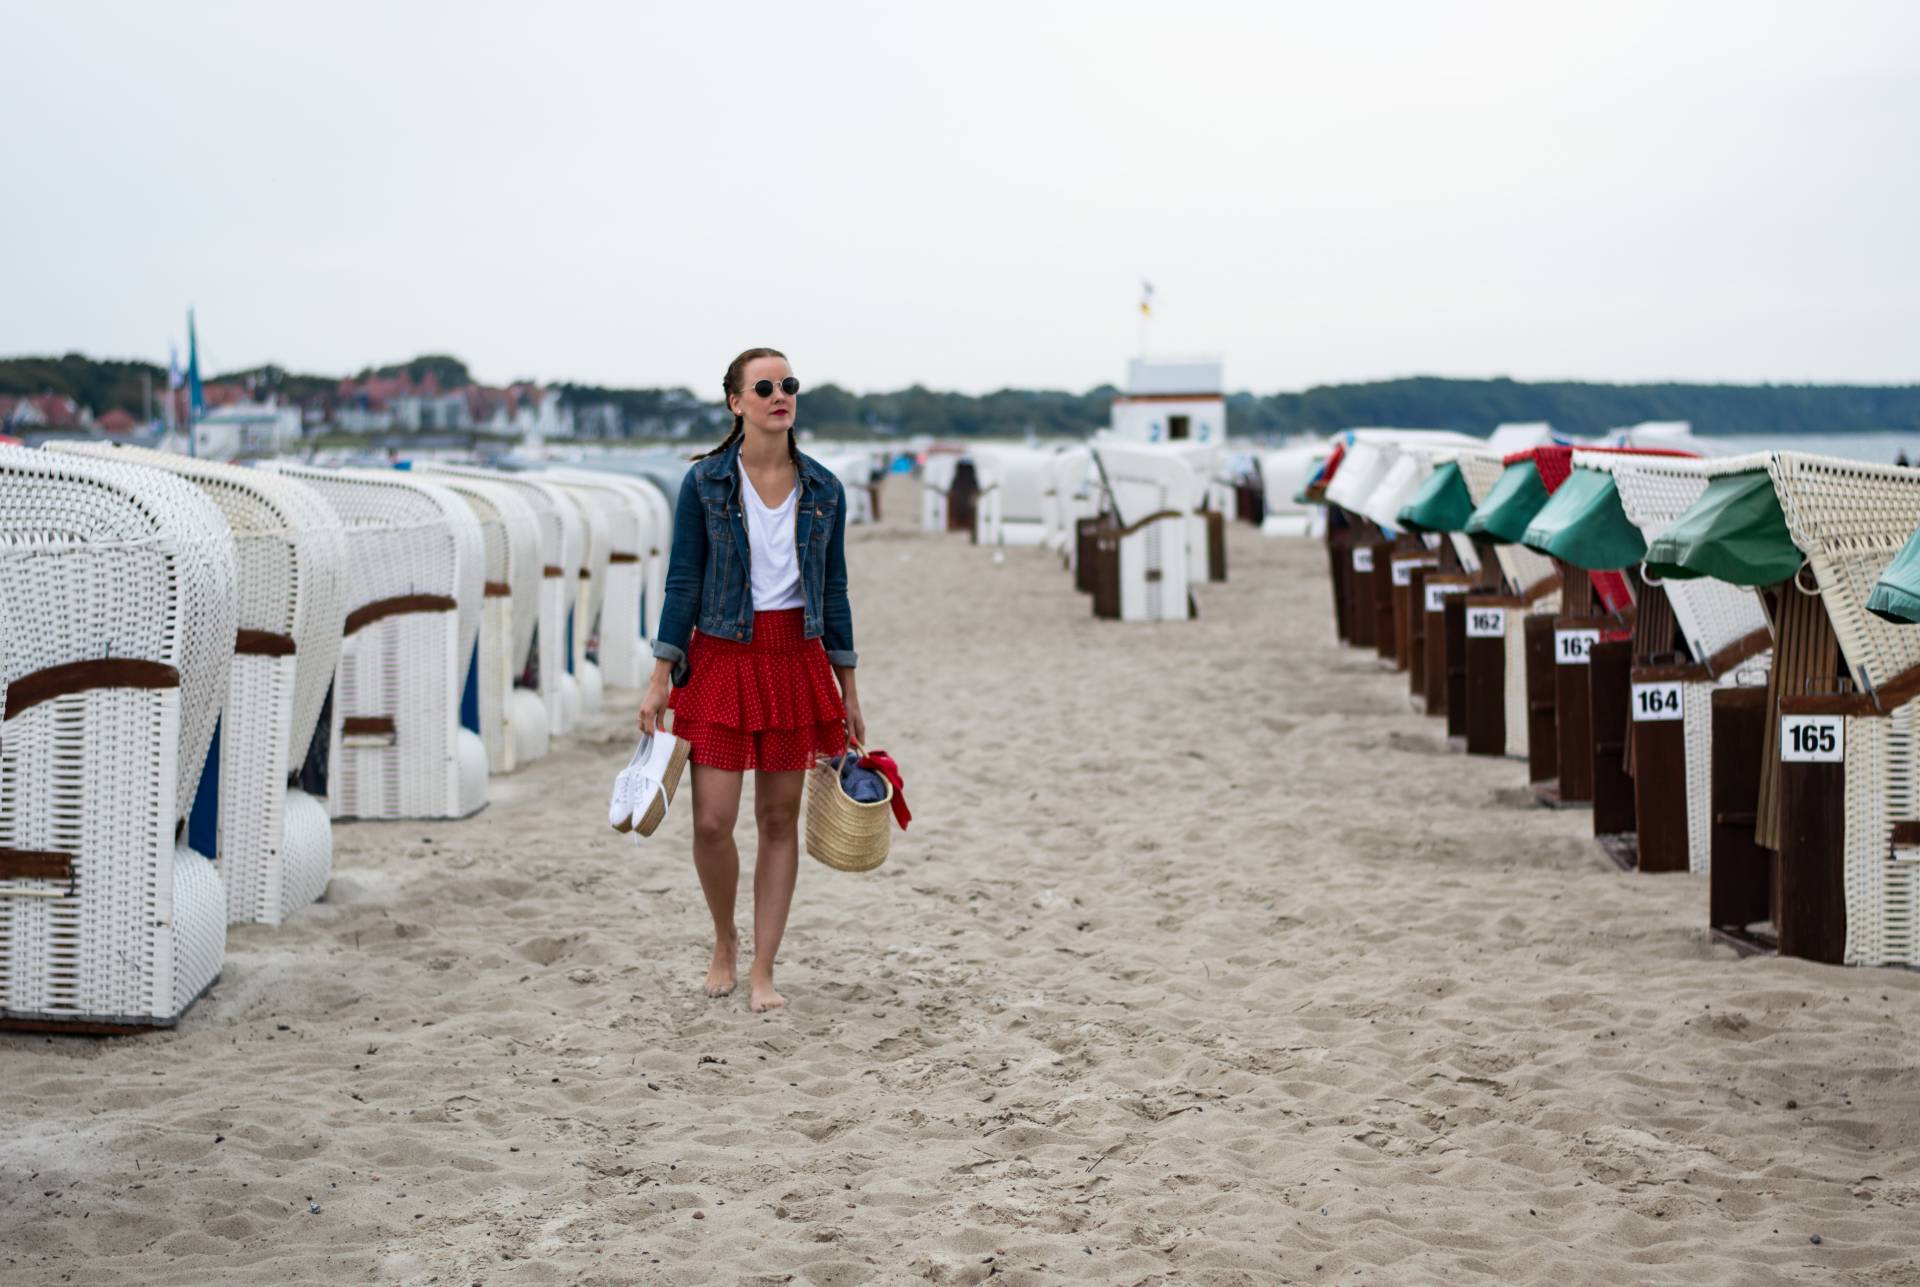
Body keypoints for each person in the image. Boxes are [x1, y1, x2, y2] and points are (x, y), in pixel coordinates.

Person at [638, 347, 864, 1012]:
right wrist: (659, 678)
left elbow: (837, 588)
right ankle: (724, 939)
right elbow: (683, 581)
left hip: (795, 657)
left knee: (776, 818)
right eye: (764, 386)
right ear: (736, 402)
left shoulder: (825, 488)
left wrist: (848, 687)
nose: (780, 394)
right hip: (721, 658)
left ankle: (763, 968)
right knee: (711, 821)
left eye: (789, 384)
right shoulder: (705, 483)